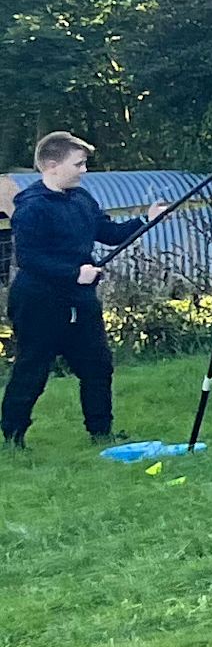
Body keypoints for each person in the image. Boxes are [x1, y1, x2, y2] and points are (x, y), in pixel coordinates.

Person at [9, 132, 134, 448]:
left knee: (98, 366)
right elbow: (29, 258)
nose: (84, 170)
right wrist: (74, 273)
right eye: (78, 164)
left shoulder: (81, 199)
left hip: (80, 298)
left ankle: (101, 432)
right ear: (52, 165)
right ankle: (13, 436)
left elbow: (109, 233)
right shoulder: (32, 207)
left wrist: (147, 220)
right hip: (38, 301)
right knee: (33, 368)